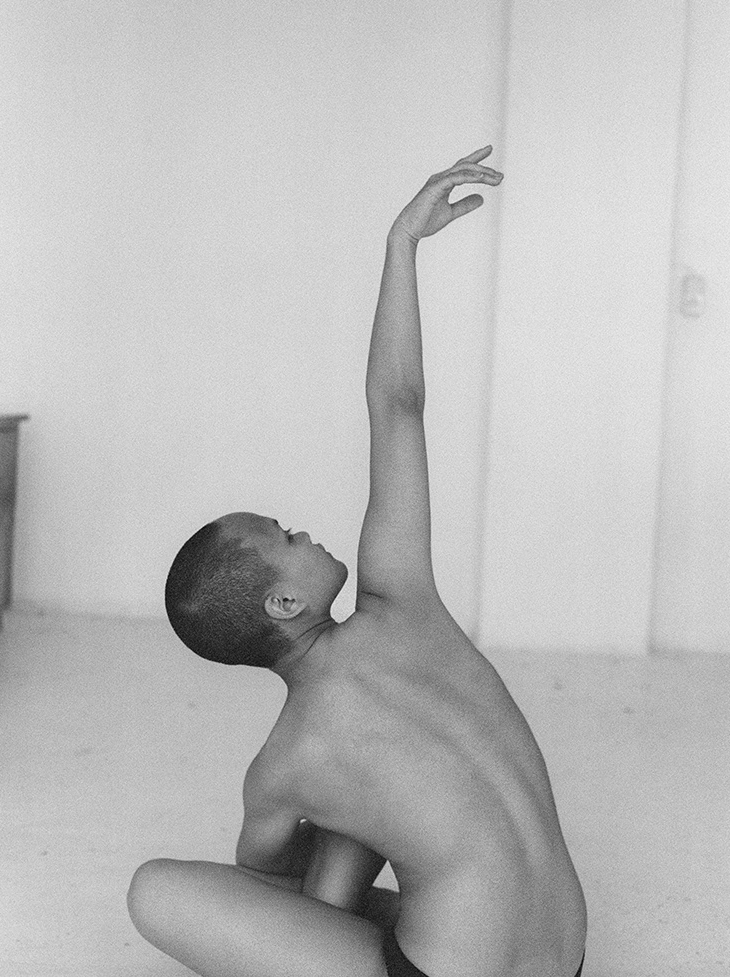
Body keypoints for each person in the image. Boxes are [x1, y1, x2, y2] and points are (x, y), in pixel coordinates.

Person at [127, 147, 587, 977]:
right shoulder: (405, 603)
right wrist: (401, 244)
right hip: (565, 958)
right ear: (282, 605)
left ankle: (355, 828)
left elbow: (268, 885)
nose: (304, 532)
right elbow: (398, 406)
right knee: (352, 811)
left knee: (155, 891)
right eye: (285, 536)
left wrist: (335, 816)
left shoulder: (284, 766)